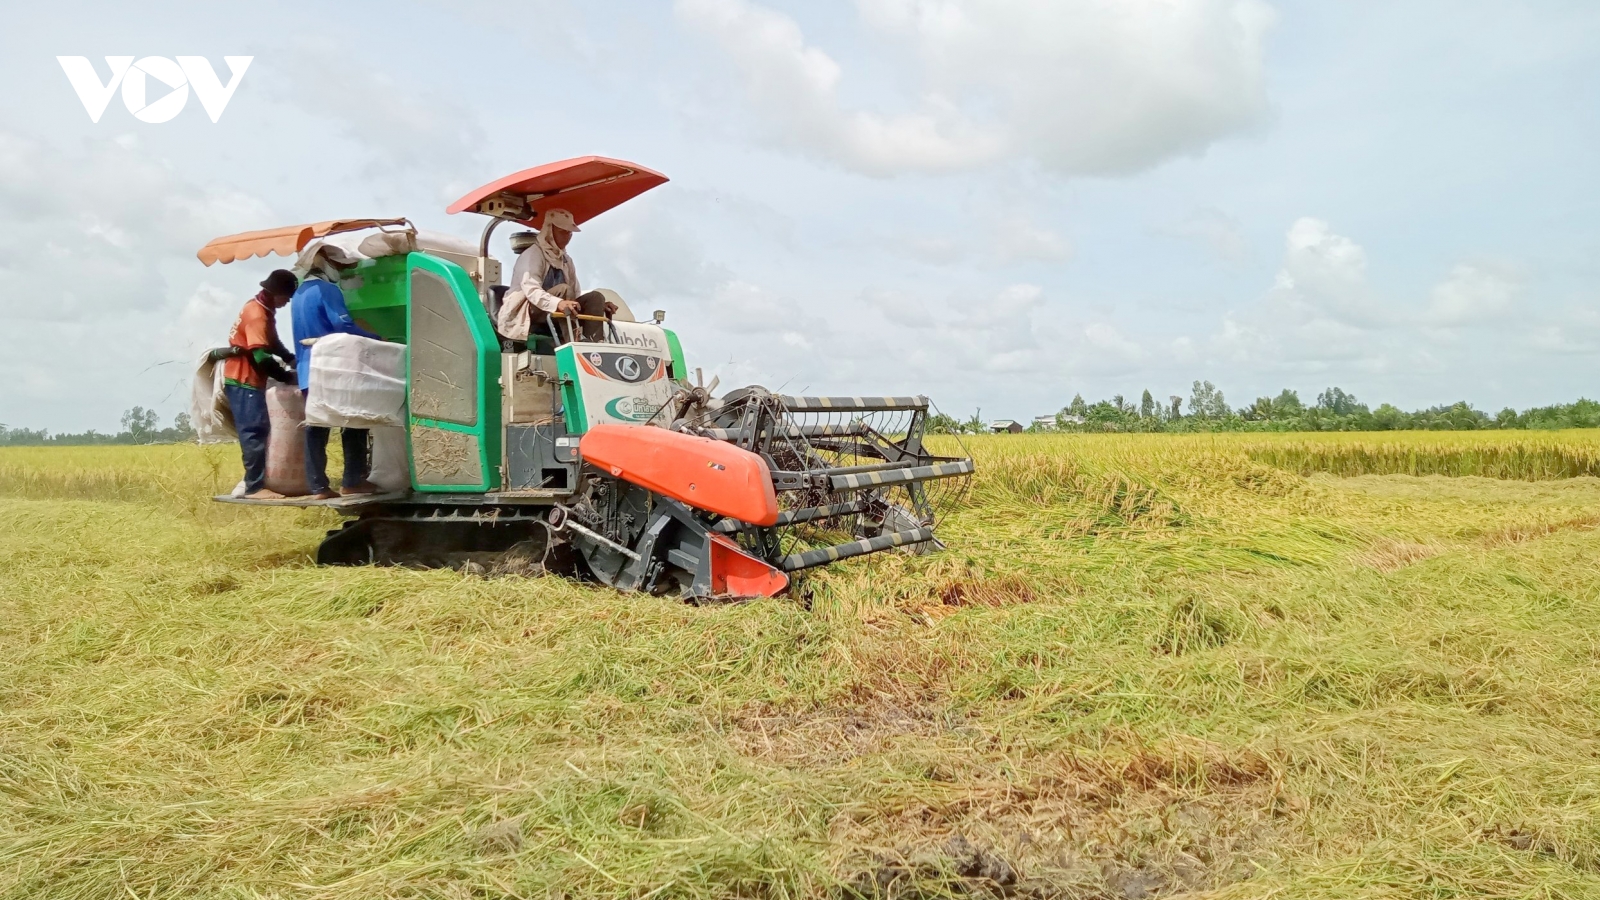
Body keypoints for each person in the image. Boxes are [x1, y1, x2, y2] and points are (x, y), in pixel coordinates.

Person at [290, 242, 381, 500]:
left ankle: (318, 486)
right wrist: (375, 338)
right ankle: (352, 480)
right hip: (333, 368)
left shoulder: (298, 295)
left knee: (316, 428)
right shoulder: (326, 290)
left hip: (308, 369)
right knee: (354, 421)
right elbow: (343, 324)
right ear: (326, 264)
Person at [211, 269, 298, 500]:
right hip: (243, 380)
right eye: (286, 296)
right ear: (276, 293)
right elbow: (261, 356)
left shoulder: (264, 309)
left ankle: (257, 482)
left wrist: (290, 358)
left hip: (250, 380)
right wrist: (286, 376)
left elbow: (273, 342)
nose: (288, 301)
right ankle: (255, 488)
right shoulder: (257, 314)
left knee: (259, 430)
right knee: (254, 432)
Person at [507, 208, 616, 342]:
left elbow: (575, 295)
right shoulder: (533, 255)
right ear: (550, 231)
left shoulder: (566, 260)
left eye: (570, 233)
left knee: (596, 297)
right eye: (563, 232)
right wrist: (559, 303)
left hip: (557, 310)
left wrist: (598, 306)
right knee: (563, 289)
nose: (567, 237)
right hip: (529, 310)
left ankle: (594, 343)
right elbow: (532, 291)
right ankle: (572, 341)